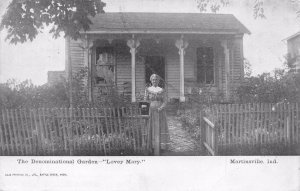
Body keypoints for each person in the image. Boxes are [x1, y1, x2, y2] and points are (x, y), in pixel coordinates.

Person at [144, 74, 170, 154]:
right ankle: (151, 146)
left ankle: (161, 147)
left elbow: (165, 101)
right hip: (151, 111)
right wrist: (148, 108)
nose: (155, 81)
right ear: (151, 81)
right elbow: (145, 100)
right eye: (153, 79)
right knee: (151, 127)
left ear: (158, 81)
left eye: (156, 79)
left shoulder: (162, 90)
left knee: (160, 127)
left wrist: (161, 108)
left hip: (160, 112)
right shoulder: (148, 90)